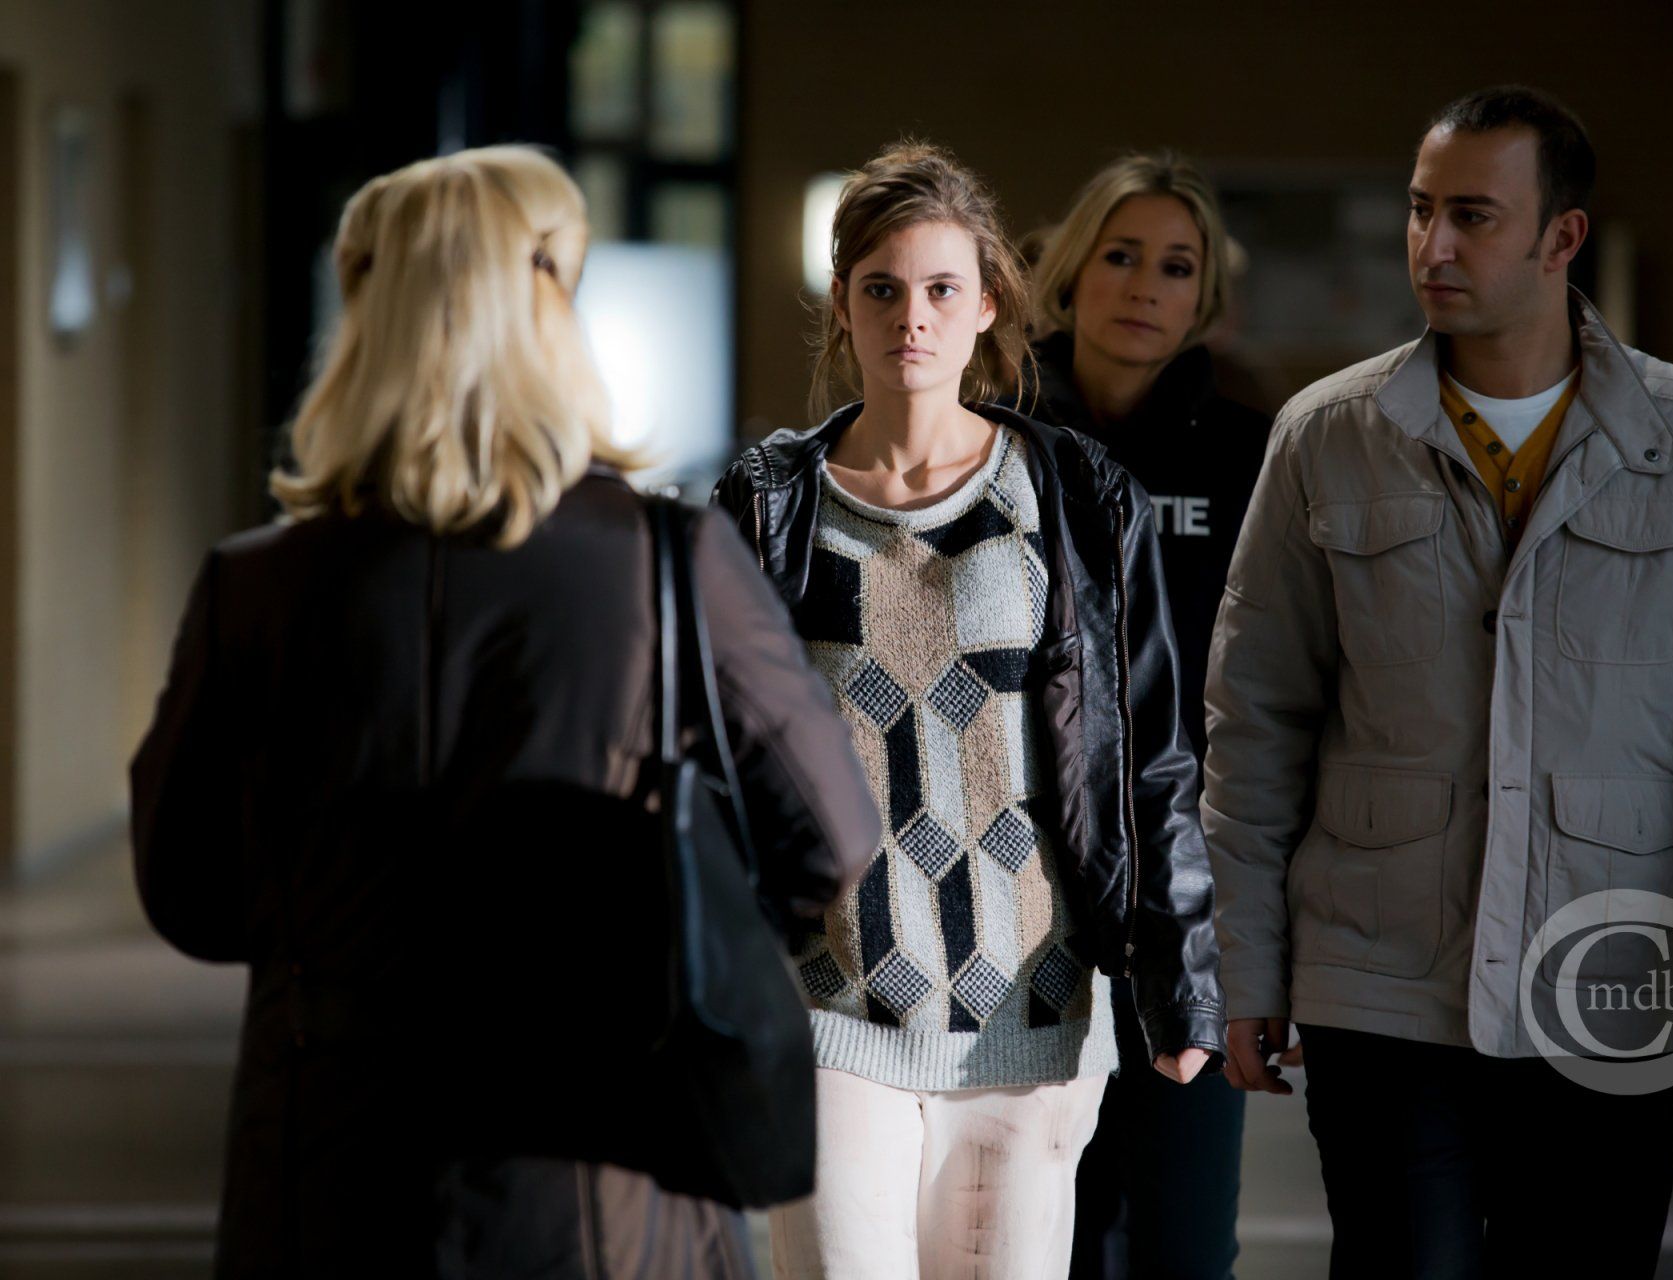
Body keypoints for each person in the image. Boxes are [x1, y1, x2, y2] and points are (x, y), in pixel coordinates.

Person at [130, 145, 880, 1278]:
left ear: (365, 319)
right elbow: (830, 836)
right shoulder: (666, 562)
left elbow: (188, 893)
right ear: (549, 311)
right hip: (598, 1168)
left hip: (325, 1167)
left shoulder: (257, 585)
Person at [1203, 86, 1673, 1279]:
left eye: (1473, 216)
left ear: (1563, 237)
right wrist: (1242, 961)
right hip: (1379, 973)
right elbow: (1255, 721)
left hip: (1610, 966)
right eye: (1420, 211)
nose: (1433, 245)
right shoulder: (1325, 435)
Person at [712, 140, 1225, 1279]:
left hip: (1029, 1010)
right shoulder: (771, 501)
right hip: (827, 1000)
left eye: (943, 289)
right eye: (882, 288)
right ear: (841, 303)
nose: (913, 317)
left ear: (988, 303)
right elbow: (718, 756)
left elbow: (1149, 752)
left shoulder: (1074, 492)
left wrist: (1181, 975)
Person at [1024, 151, 1265, 1280]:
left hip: (1188, 907)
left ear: (1204, 297)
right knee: (1043, 1243)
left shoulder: (1253, 455)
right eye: (1120, 256)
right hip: (1022, 902)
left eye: (1176, 267)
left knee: (1184, 1248)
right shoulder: (994, 441)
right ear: (1071, 272)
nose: (1144, 287)